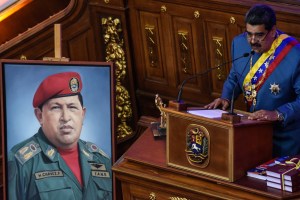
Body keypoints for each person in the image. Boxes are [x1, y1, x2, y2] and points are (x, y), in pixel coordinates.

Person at [204, 4, 300, 157]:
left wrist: (278, 113)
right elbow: (235, 76)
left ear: (273, 31)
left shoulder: (295, 55)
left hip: (284, 138)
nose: (252, 41)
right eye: (249, 34)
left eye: (259, 35)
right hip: (251, 131)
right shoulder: (239, 43)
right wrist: (226, 97)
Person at [8, 72, 112, 200]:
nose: (66, 117)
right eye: (56, 108)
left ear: (82, 114)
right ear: (40, 116)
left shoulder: (102, 160)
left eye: (72, 107)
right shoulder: (20, 161)